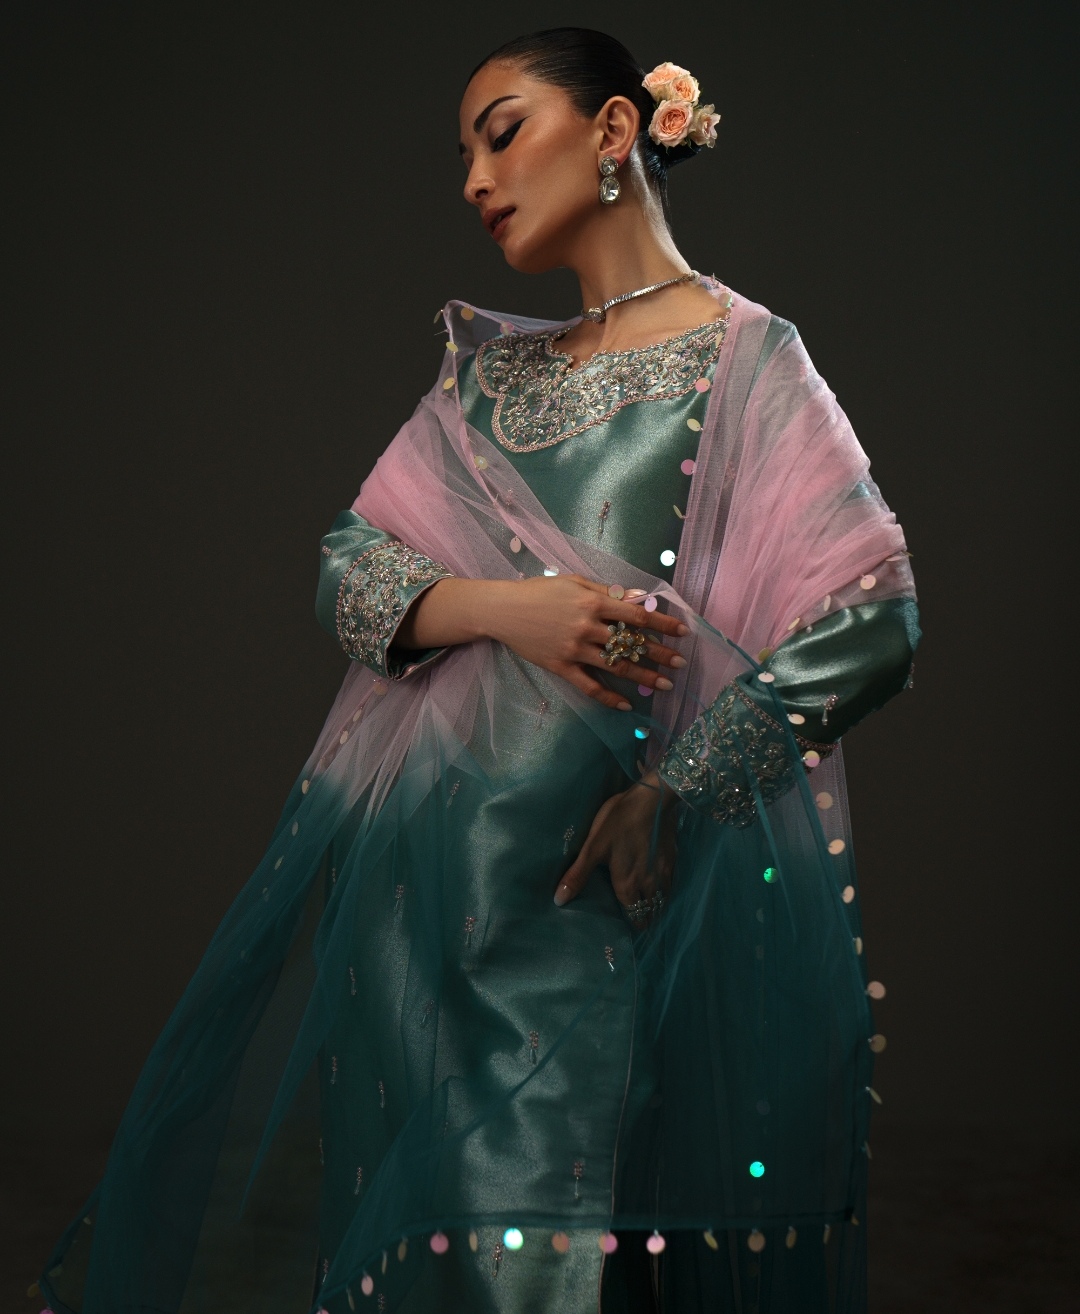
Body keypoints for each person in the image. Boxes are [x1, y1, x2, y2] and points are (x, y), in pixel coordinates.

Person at [36, 26, 919, 1314]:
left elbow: (873, 618)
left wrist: (680, 794)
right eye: (464, 153)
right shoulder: (487, 384)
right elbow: (347, 570)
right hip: (428, 904)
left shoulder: (746, 359)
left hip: (606, 891)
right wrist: (514, 612)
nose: (473, 179)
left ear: (614, 131)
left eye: (502, 135)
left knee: (571, 1250)